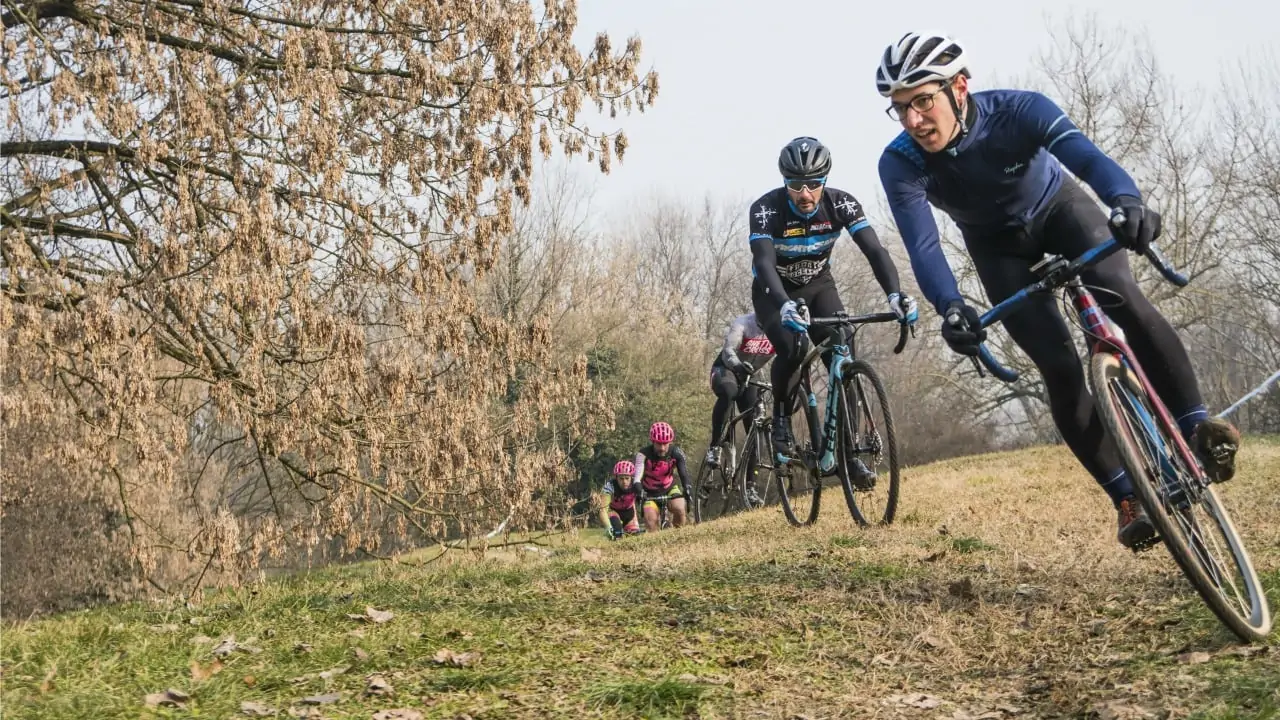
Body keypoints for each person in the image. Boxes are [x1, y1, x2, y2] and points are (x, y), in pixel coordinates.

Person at [873, 31, 1242, 549]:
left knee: (1123, 298)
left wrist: (1125, 200)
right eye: (900, 109)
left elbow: (1087, 158)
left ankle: (1199, 428)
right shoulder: (900, 162)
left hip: (1061, 212)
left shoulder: (1020, 110)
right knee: (1060, 368)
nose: (913, 120)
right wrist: (951, 306)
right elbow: (924, 245)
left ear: (959, 87)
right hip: (998, 249)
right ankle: (1126, 497)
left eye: (922, 102)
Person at [748, 136, 919, 480]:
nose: (805, 193)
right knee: (792, 347)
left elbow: (874, 250)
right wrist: (782, 305)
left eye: (813, 184)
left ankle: (847, 454)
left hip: (818, 286)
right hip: (775, 291)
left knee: (843, 348)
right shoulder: (766, 209)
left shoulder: (842, 205)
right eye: (796, 185)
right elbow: (764, 262)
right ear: (786, 183)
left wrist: (894, 294)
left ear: (824, 181)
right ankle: (781, 420)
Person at [705, 312, 775, 469]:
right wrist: (738, 366)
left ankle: (749, 485)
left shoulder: (778, 328)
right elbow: (728, 351)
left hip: (751, 375)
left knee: (755, 425)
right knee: (729, 392)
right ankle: (714, 446)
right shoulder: (743, 323)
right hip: (726, 368)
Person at [634, 422, 692, 530]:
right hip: (649, 492)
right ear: (653, 441)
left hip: (669, 488)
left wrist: (687, 488)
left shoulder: (677, 453)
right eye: (659, 444)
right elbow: (637, 478)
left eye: (665, 444)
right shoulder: (642, 454)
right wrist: (639, 491)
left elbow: (684, 473)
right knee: (650, 520)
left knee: (680, 509)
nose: (662, 448)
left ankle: (677, 535)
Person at [599, 460, 643, 540]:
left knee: (635, 537)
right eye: (621, 478)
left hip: (629, 512)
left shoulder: (636, 485)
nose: (624, 481)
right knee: (617, 532)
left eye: (627, 478)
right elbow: (602, 510)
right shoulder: (610, 486)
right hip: (613, 511)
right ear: (616, 478)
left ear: (632, 478)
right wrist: (608, 527)